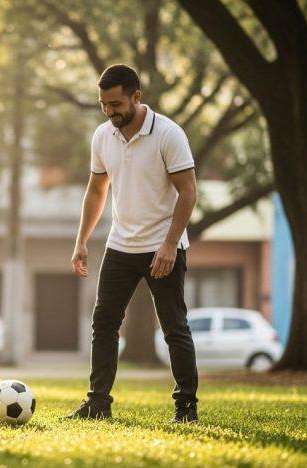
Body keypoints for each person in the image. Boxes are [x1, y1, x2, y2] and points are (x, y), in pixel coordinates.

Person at [65, 64, 199, 423]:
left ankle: (186, 407)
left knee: (174, 328)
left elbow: (188, 191)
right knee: (104, 325)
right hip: (120, 245)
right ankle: (97, 404)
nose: (109, 112)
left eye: (115, 104)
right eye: (103, 105)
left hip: (162, 247)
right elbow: (96, 191)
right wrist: (82, 242)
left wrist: (171, 244)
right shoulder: (103, 136)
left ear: (136, 97)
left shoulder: (168, 134)